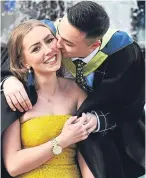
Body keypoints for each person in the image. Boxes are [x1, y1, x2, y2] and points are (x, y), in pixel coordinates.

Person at [1, 1, 145, 178]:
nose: (56, 46)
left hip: (104, 133)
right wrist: (7, 79)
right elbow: (16, 51)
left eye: (67, 43)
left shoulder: (124, 54)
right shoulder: (50, 32)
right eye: (57, 35)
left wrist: (98, 120)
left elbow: (129, 106)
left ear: (93, 46)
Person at [2, 19, 97, 178]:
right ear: (24, 62)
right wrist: (61, 141)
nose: (48, 50)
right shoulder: (16, 97)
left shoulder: (77, 92)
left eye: (49, 40)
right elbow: (13, 165)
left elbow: (89, 157)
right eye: (36, 48)